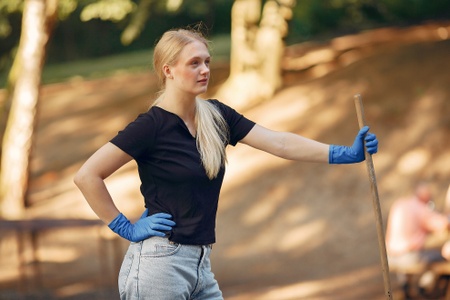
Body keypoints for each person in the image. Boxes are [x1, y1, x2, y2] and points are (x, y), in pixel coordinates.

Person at [74, 26, 378, 300]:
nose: (204, 69)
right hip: (159, 264)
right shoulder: (151, 126)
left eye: (206, 61)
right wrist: (125, 228)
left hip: (200, 264)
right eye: (194, 63)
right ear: (168, 70)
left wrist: (343, 153)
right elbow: (87, 176)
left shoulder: (216, 116)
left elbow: (279, 142)